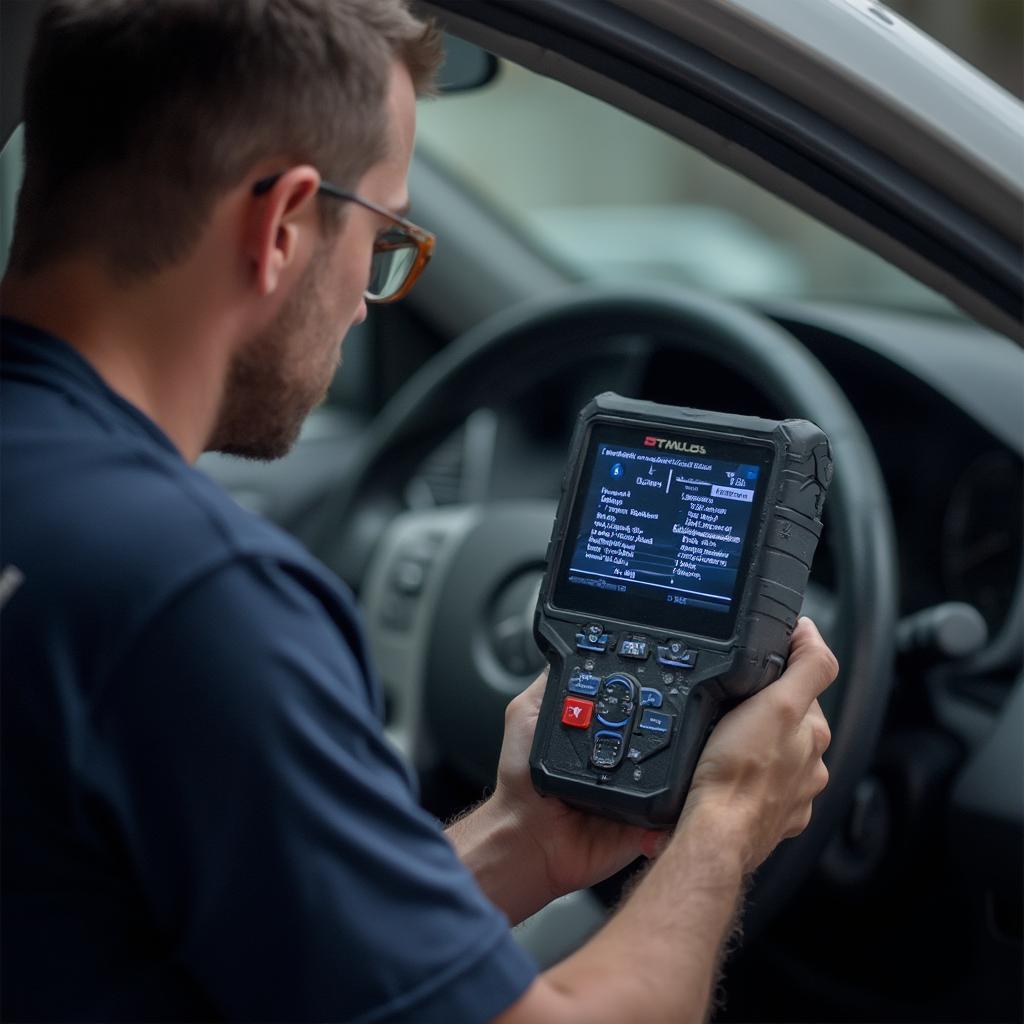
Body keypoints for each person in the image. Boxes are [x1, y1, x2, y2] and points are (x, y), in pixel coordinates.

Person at [0, 1, 836, 1021]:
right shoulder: (186, 596)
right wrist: (727, 815)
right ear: (283, 225)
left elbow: (290, 947)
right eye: (386, 236)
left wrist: (522, 840)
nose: (365, 300)